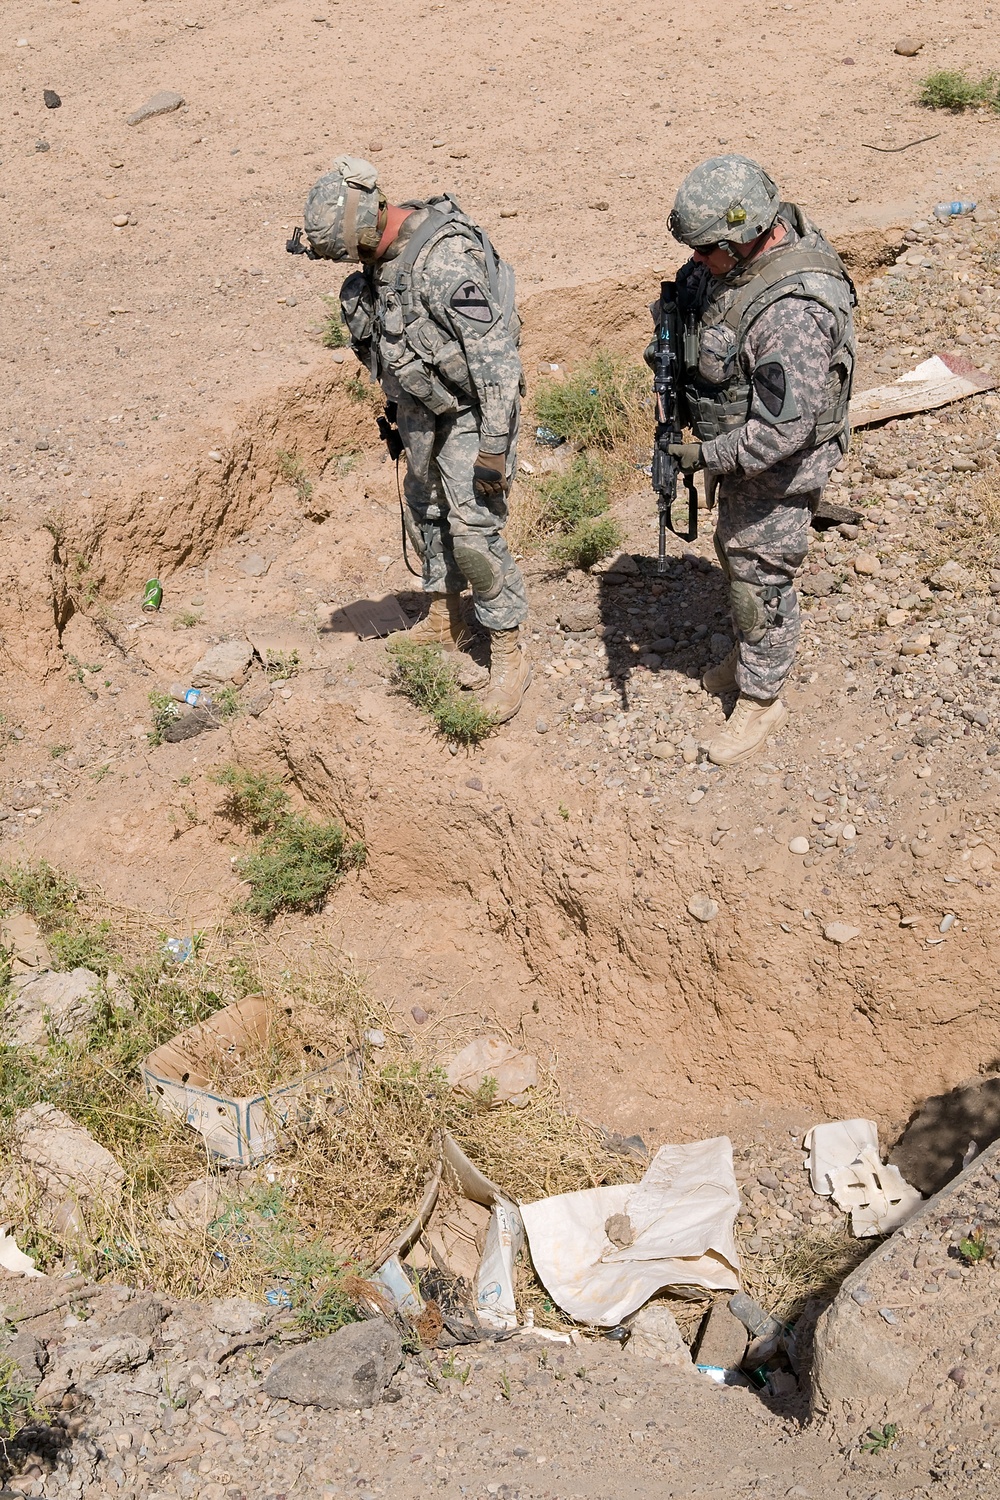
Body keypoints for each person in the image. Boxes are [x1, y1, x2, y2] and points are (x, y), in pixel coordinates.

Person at [301, 156, 531, 723]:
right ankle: (442, 616)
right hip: (423, 407)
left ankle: (507, 648)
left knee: (474, 529)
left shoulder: (444, 263)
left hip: (475, 409)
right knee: (425, 509)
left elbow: (497, 360)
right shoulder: (378, 266)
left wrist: (495, 450)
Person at [663, 154, 856, 765]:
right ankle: (752, 654)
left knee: (759, 576)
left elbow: (779, 436)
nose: (699, 261)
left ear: (747, 234)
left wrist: (701, 456)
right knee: (733, 550)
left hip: (778, 464)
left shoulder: (792, 313)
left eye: (708, 250)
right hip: (745, 449)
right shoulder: (737, 263)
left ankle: (762, 698)